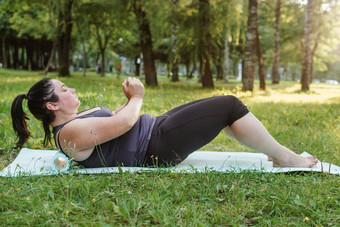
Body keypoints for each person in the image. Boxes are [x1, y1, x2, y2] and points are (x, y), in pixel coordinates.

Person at [11, 77, 318, 168]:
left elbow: (116, 118)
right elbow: (124, 124)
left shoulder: (75, 121)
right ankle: (284, 158)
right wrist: (138, 97)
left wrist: (127, 98)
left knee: (220, 105)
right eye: (64, 90)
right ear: (52, 105)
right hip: (155, 146)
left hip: (155, 130)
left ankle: (278, 152)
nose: (72, 90)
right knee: (229, 105)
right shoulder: (70, 135)